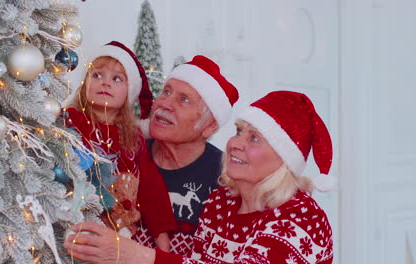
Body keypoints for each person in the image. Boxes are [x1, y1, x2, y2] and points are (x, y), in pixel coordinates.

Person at [64, 90, 335, 264]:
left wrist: (137, 256)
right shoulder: (220, 203)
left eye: (253, 138)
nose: (234, 144)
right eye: (238, 131)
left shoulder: (301, 218)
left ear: (283, 159)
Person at [64, 41, 176, 250]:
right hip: (71, 222)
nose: (105, 83)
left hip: (117, 234)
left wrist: (162, 240)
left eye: (117, 79)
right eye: (97, 75)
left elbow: (151, 189)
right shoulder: (70, 121)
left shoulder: (132, 139)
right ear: (85, 83)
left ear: (129, 92)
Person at [134, 55, 239, 256]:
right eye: (166, 92)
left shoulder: (228, 179)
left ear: (210, 126)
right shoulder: (128, 155)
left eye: (183, 99)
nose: (165, 103)